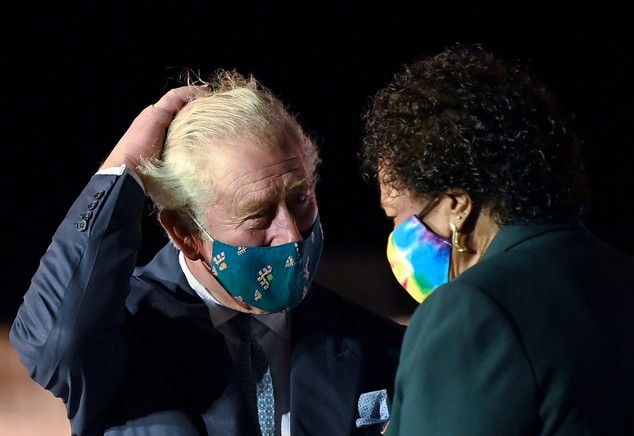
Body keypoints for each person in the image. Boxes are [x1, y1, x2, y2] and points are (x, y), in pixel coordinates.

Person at [10, 70, 405, 436]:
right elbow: (50, 343)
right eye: (258, 214)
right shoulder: (124, 332)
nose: (290, 235)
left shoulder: (382, 348)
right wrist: (125, 166)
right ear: (185, 233)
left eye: (300, 199)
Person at [360, 44, 634, 435]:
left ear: (457, 205)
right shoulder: (625, 277)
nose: (395, 235)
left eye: (396, 216)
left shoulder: (472, 312)